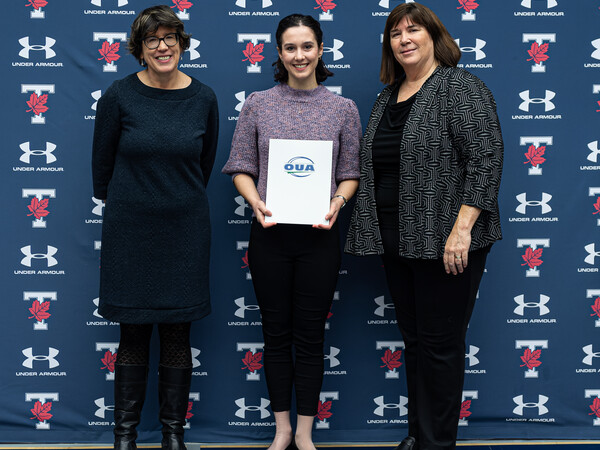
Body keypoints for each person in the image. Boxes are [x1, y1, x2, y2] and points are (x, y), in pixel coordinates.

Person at [345, 3, 502, 450]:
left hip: (448, 239)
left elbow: (486, 160)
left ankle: (437, 444)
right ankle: (418, 435)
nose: (404, 39)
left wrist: (463, 228)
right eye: (396, 33)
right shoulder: (385, 97)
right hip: (396, 237)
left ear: (435, 36)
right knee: (415, 342)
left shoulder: (460, 87)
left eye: (414, 30)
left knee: (440, 345)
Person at [223, 14, 360, 450]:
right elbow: (241, 168)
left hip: (320, 237)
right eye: (290, 47)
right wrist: (255, 201)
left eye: (307, 46)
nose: (299, 55)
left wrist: (337, 203)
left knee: (311, 335)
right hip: (270, 235)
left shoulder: (343, 109)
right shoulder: (258, 103)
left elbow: (350, 174)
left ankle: (304, 433)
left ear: (320, 50)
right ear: (279, 53)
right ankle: (281, 429)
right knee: (275, 334)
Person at [91, 5, 218, 450]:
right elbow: (101, 168)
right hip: (131, 230)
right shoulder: (119, 95)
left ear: (182, 43)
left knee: (179, 332)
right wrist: (137, 204)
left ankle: (172, 437)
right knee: (132, 332)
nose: (162, 46)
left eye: (170, 38)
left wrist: (173, 200)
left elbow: (203, 165)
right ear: (139, 49)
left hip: (184, 230)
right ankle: (124, 438)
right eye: (152, 40)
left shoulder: (204, 97)